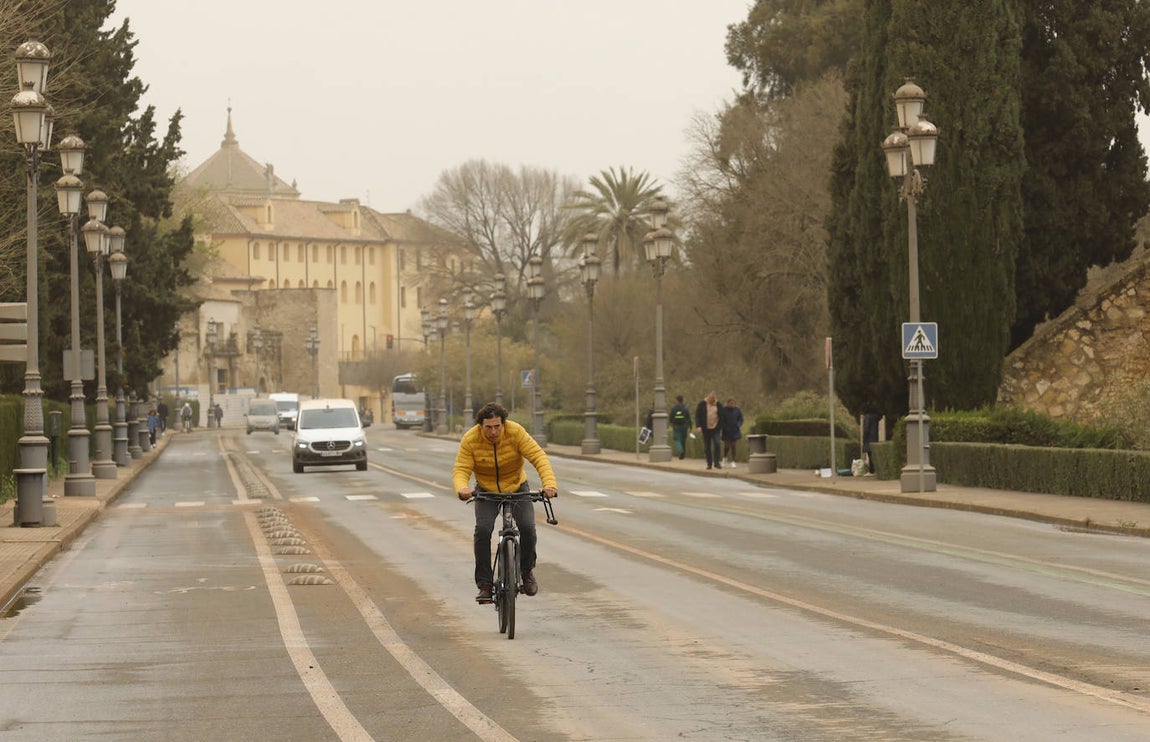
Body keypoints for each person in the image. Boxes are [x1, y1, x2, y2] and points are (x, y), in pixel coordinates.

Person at [453, 402, 558, 604]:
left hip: (516, 486)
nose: (493, 432)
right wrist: (462, 488)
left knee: (528, 527)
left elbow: (538, 456)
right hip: (486, 490)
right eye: (488, 427)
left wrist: (549, 484)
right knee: (483, 531)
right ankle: (485, 585)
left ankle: (526, 571)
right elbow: (461, 468)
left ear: (504, 424)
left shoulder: (516, 432)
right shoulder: (470, 439)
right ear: (480, 426)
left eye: (497, 426)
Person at [695, 391, 726, 470]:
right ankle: (709, 463)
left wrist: (720, 426)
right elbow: (697, 416)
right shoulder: (702, 404)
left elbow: (722, 416)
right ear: (707, 397)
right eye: (709, 398)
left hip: (715, 428)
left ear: (714, 399)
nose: (710, 400)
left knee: (717, 443)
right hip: (705, 428)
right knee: (707, 446)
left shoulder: (718, 405)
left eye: (712, 399)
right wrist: (698, 426)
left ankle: (716, 462)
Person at [720, 398, 744, 469]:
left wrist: (738, 425)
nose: (732, 405)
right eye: (730, 403)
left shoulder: (737, 410)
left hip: (735, 431)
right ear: (727, 404)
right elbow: (721, 420)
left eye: (733, 403)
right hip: (726, 431)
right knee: (727, 446)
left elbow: (741, 419)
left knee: (734, 446)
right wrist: (724, 427)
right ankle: (724, 458)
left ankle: (733, 461)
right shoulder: (723, 410)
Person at [669, 395, 692, 459]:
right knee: (683, 440)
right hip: (684, 425)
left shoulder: (674, 407)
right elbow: (689, 417)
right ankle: (683, 455)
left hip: (676, 425)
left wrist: (671, 422)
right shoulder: (685, 407)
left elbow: (671, 416)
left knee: (677, 439)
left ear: (677, 400)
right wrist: (690, 426)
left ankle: (680, 450)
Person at [862, 401, 881, 474]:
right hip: (875, 437)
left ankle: (872, 470)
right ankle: (874, 469)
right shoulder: (875, 417)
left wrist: (864, 437)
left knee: (870, 455)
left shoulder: (867, 417)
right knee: (873, 455)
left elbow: (866, 429)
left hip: (869, 438)